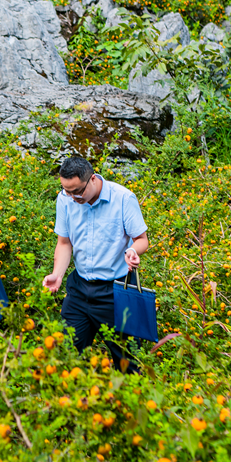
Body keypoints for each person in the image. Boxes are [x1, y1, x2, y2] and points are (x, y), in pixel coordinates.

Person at [42, 156, 149, 372]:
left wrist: (132, 251)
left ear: (92, 179)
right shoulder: (65, 199)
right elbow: (64, 243)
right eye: (66, 191)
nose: (72, 197)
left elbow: (141, 240)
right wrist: (58, 275)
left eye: (77, 192)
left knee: (128, 362)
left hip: (117, 291)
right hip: (79, 288)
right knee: (66, 355)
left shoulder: (123, 198)